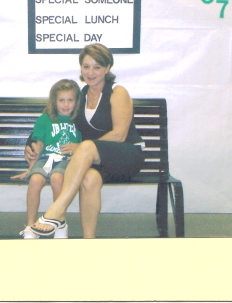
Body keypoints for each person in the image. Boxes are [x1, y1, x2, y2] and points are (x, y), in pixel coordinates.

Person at [25, 43, 145, 238]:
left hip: (127, 155)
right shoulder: (80, 95)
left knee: (88, 146)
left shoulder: (117, 92)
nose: (91, 72)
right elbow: (53, 116)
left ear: (107, 68)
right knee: (89, 178)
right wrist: (31, 144)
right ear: (81, 68)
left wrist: (82, 147)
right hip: (97, 160)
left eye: (97, 67)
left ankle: (55, 211)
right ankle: (89, 240)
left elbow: (119, 135)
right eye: (86, 66)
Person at [11, 79, 82, 239]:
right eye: (61, 100)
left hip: (66, 161)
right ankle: (30, 225)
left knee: (57, 179)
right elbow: (38, 146)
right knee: (35, 180)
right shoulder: (45, 119)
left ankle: (60, 223)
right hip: (45, 159)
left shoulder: (78, 121)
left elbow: (84, 145)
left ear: (76, 102)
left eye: (70, 100)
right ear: (54, 101)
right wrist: (30, 168)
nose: (65, 104)